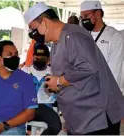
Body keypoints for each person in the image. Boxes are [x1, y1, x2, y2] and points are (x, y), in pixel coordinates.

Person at [24, 2, 124, 135]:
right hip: (80, 118)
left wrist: (59, 81)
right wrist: (56, 85)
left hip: (97, 118)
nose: (32, 34)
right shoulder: (56, 43)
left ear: (45, 22)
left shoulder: (74, 35)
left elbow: (88, 67)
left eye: (33, 28)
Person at [80, 1, 124, 87]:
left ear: (98, 14)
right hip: (86, 92)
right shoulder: (83, 36)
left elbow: (113, 75)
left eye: (86, 16)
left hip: (106, 93)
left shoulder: (115, 37)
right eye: (81, 17)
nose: (84, 20)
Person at [21, 43, 61, 135]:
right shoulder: (25, 70)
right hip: (26, 106)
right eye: (36, 58)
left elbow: (59, 92)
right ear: (33, 57)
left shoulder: (53, 72)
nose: (39, 60)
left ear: (48, 59)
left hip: (45, 107)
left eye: (42, 58)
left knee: (56, 126)